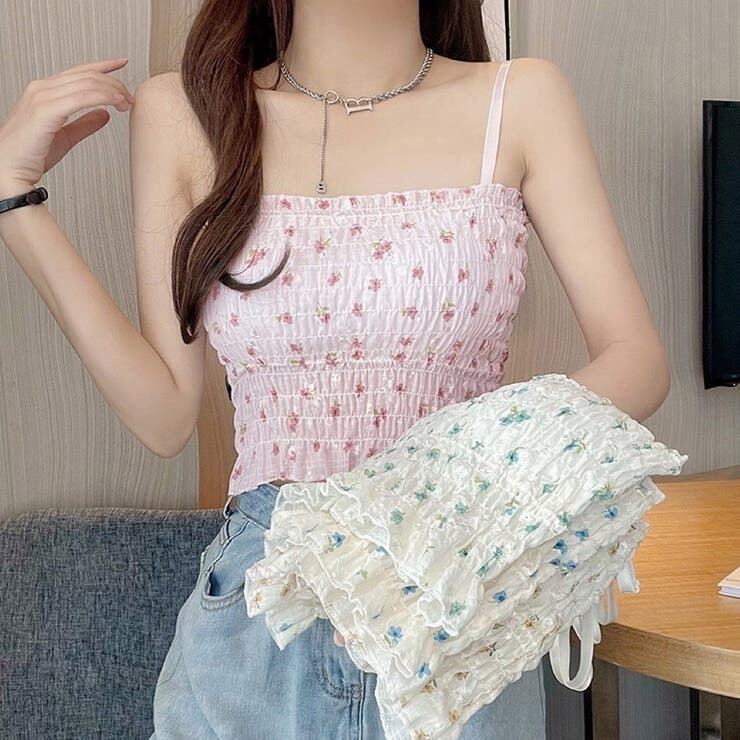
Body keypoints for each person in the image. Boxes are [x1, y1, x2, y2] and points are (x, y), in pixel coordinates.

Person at [0, 0, 671, 737]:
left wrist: (443, 474)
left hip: (449, 593)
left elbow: (636, 360)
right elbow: (164, 417)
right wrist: (14, 198)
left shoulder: (520, 99)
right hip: (261, 602)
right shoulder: (185, 113)